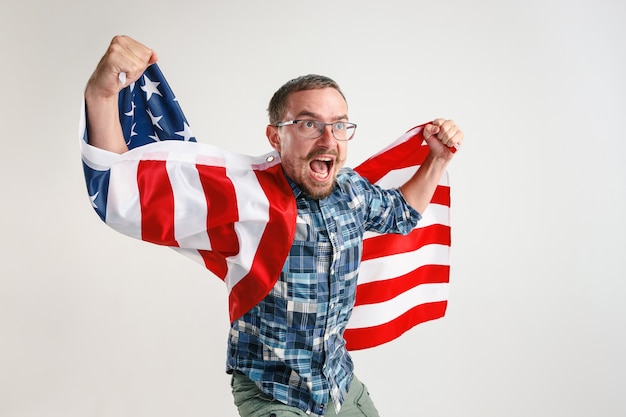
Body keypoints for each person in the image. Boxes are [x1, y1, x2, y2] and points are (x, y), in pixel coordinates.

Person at [84, 35, 464, 417]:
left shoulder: (352, 192)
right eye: (308, 124)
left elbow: (401, 213)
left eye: (338, 125)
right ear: (275, 136)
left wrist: (437, 159)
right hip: (274, 394)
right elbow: (125, 192)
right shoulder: (245, 196)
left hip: (339, 386)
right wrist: (102, 96)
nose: (328, 139)